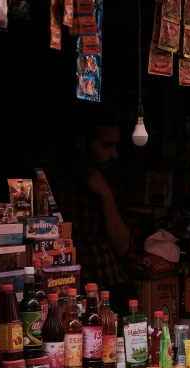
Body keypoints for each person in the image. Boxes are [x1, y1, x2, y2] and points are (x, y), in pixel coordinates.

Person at [52, 107, 133, 315]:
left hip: (112, 286)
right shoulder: (56, 184)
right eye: (106, 146)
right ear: (82, 144)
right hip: (71, 290)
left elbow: (123, 245)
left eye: (116, 146)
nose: (114, 154)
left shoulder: (113, 183)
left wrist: (105, 194)